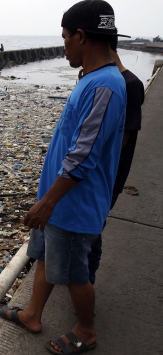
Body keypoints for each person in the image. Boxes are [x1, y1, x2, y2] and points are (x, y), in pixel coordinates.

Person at [0, 0, 130, 355]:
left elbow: (83, 157)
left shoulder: (106, 87)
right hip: (59, 202)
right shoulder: (94, 79)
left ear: (81, 36)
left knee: (74, 272)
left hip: (73, 206)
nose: (64, 45)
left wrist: (48, 202)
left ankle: (87, 330)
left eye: (66, 37)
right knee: (45, 257)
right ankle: (32, 314)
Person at [86, 33, 145, 284]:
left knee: (93, 230)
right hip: (96, 173)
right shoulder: (105, 80)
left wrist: (88, 169)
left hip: (108, 175)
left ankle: (86, 282)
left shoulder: (128, 84)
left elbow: (122, 138)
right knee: (90, 228)